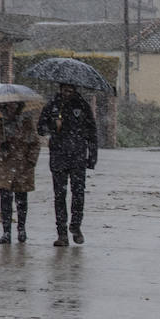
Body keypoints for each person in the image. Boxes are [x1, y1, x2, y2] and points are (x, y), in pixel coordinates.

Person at [37, 84, 98, 246]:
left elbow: (92, 132)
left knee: (78, 193)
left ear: (75, 90)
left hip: (78, 156)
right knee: (59, 195)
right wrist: (52, 125)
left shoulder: (82, 106)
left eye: (70, 90)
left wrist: (92, 157)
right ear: (60, 89)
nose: (67, 93)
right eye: (65, 90)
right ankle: (62, 233)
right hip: (58, 156)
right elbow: (40, 129)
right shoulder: (52, 106)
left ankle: (76, 226)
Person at [0, 102, 41, 244]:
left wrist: (30, 160)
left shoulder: (26, 124)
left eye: (14, 106)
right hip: (4, 167)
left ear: (19, 107)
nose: (11, 109)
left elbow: (35, 143)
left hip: (22, 167)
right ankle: (6, 232)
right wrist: (0, 148)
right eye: (8, 106)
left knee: (21, 200)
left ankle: (21, 229)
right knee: (5, 200)